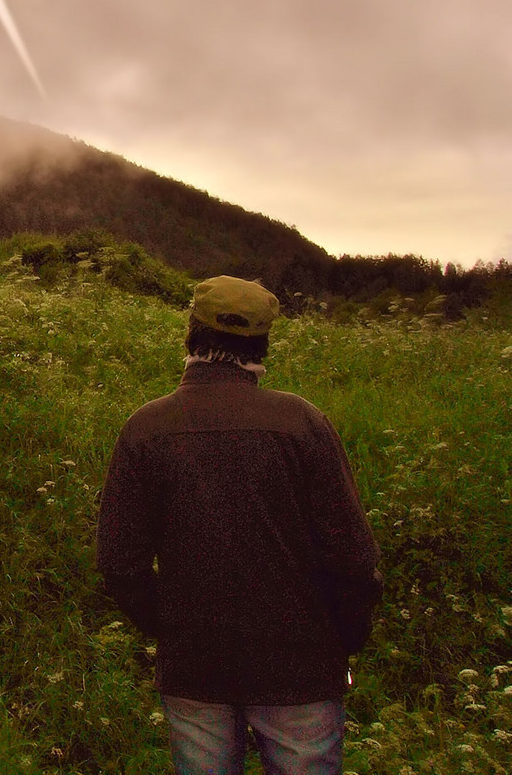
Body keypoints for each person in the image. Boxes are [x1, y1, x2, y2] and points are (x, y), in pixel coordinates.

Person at [95, 276, 383, 775]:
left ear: (191, 333)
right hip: (302, 667)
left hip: (195, 666)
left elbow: (120, 564)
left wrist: (168, 628)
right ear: (263, 342)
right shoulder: (302, 422)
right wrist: (345, 638)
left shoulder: (146, 427)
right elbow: (353, 558)